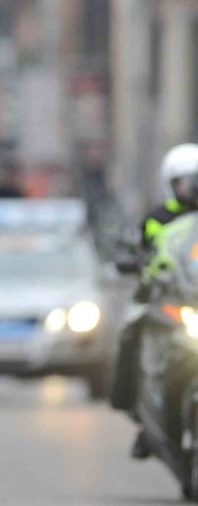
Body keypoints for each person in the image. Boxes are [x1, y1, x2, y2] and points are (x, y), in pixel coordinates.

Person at [110, 143, 198, 426]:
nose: (193, 189)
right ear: (171, 184)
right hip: (167, 296)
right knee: (131, 330)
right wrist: (140, 266)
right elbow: (140, 250)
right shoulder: (158, 219)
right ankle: (128, 399)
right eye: (187, 182)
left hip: (195, 293)